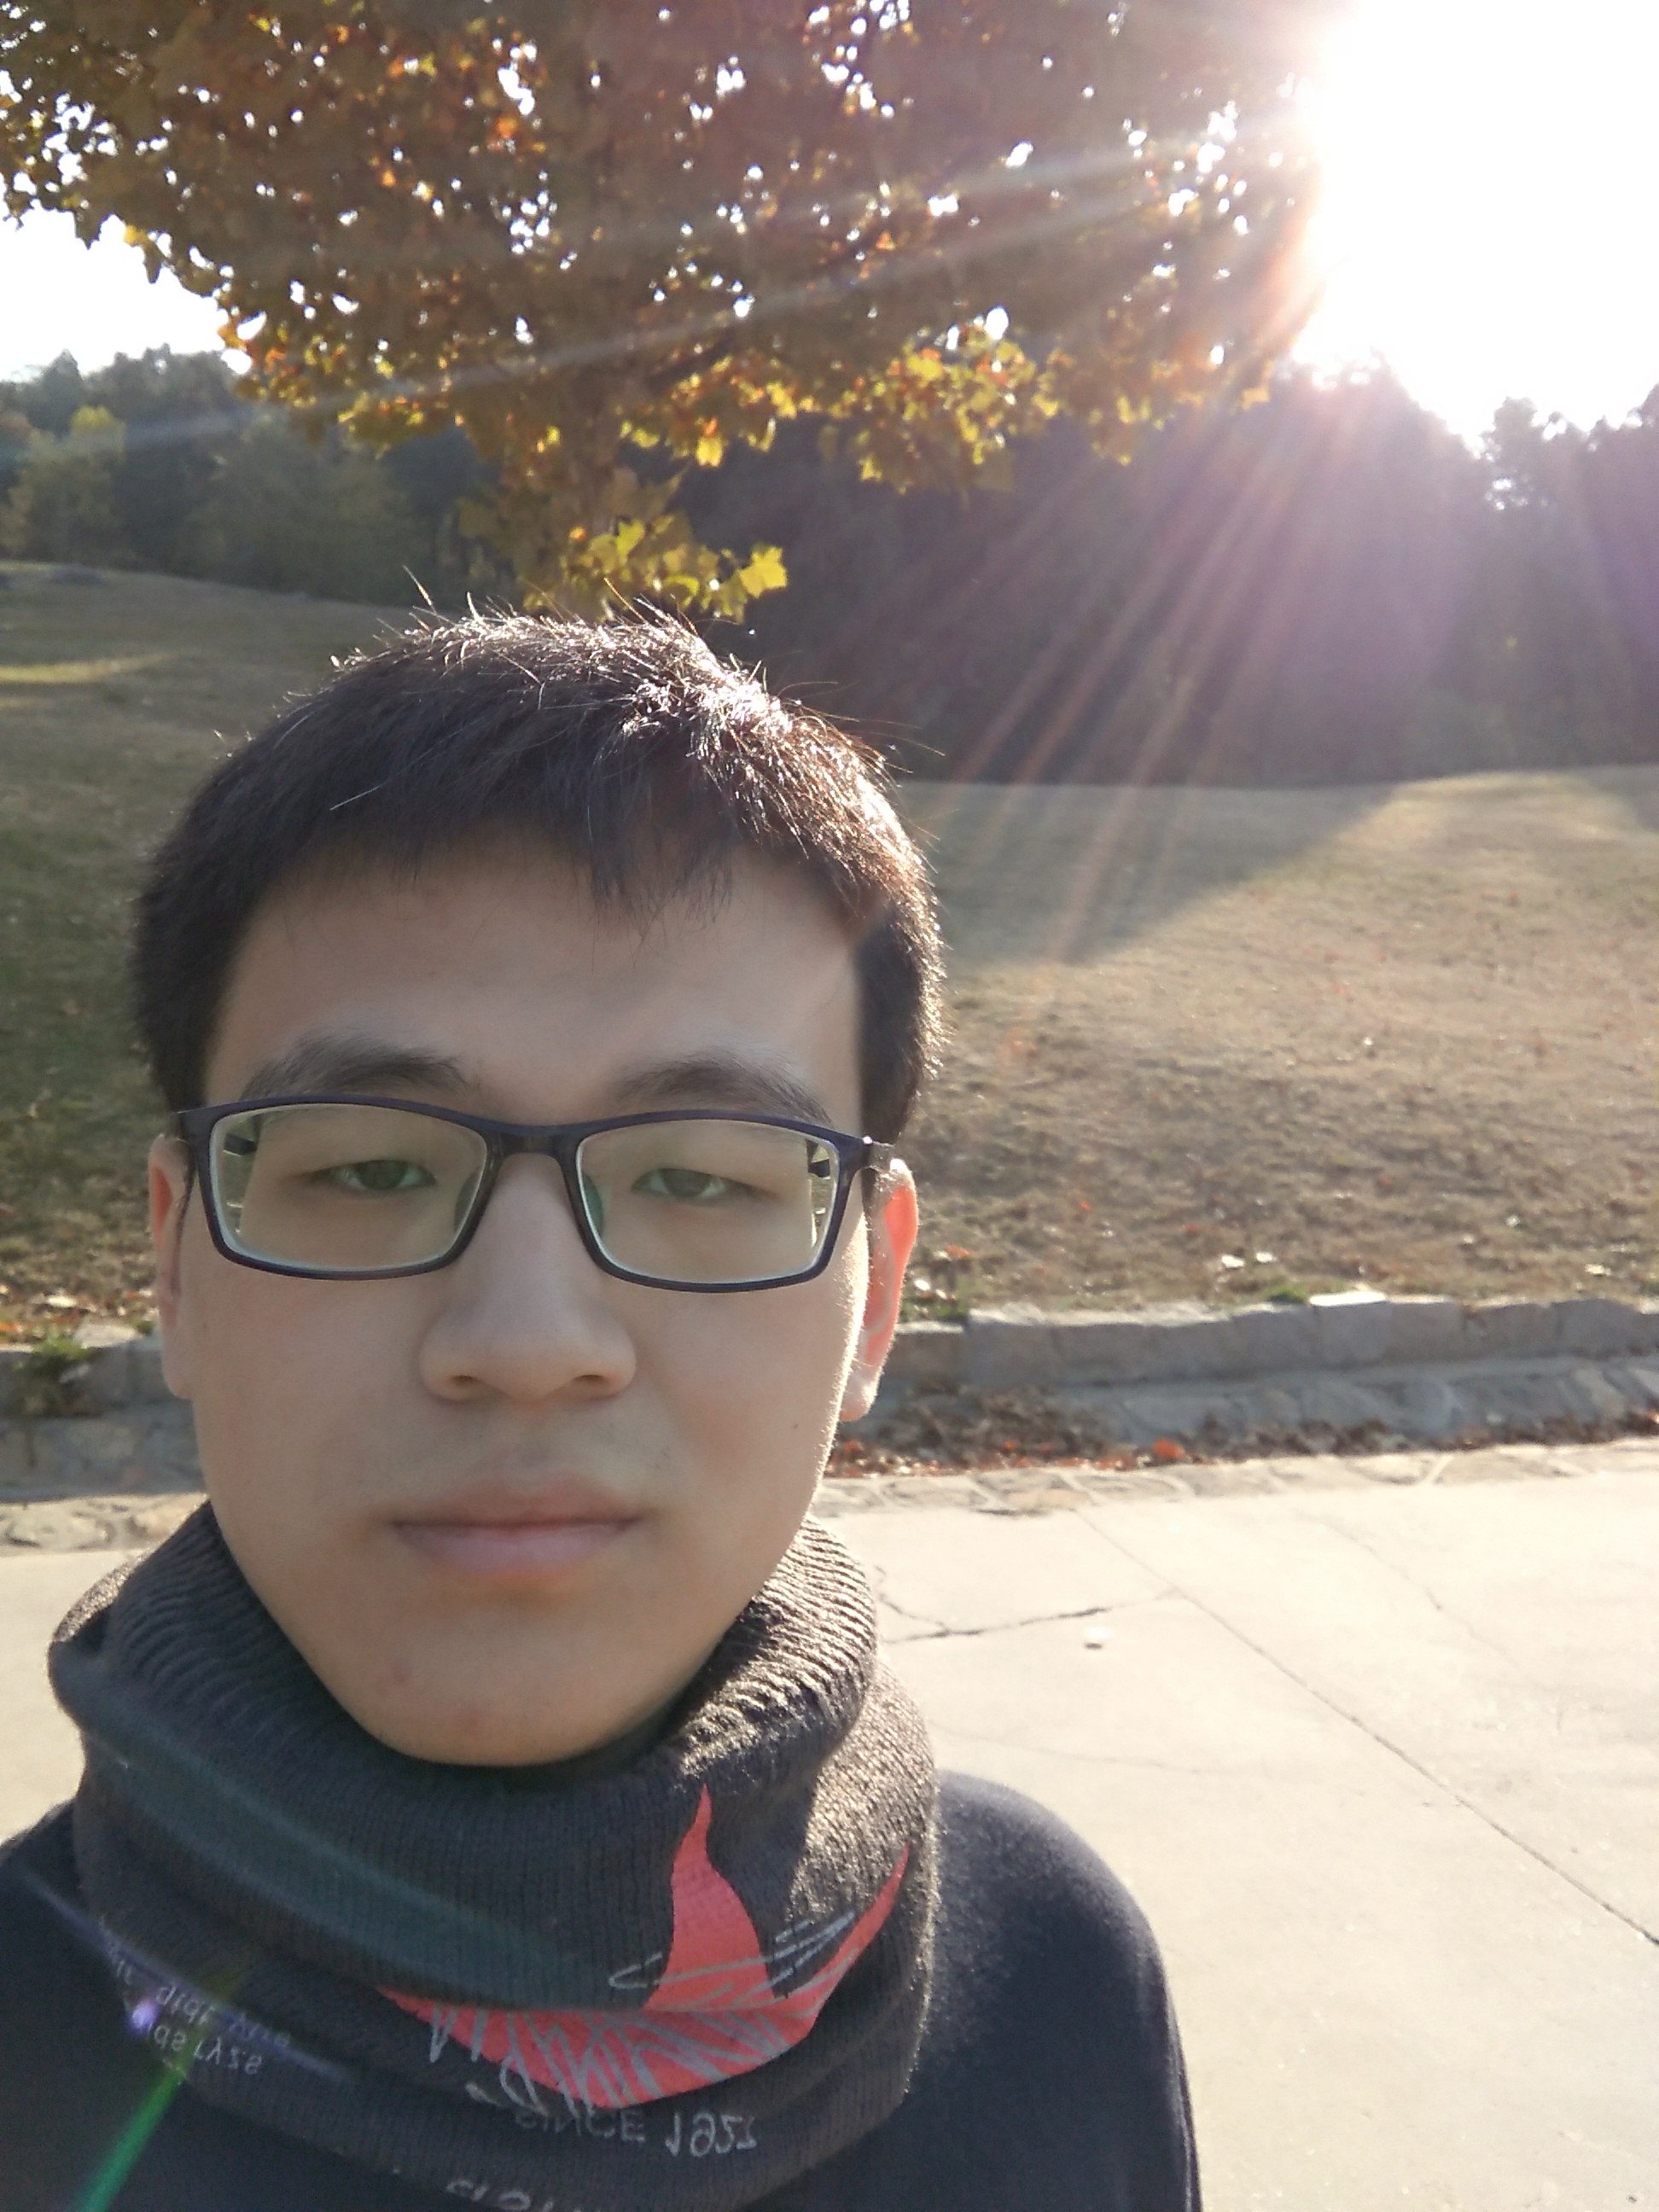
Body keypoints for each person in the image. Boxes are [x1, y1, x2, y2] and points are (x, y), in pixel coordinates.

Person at [0, 614, 1199, 2210]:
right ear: (176, 1262)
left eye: (700, 1178)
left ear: (877, 1295)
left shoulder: (1054, 1984)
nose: (525, 1343)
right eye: (367, 1165)